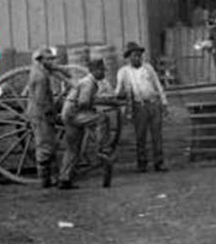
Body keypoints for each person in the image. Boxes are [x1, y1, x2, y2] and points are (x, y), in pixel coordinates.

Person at [58, 59, 115, 189]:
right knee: (102, 118)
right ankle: (102, 149)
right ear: (93, 71)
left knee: (73, 148)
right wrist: (102, 102)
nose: (103, 73)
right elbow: (83, 102)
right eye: (101, 70)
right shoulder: (88, 82)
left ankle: (64, 179)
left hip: (68, 115)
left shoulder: (88, 82)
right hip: (73, 114)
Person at [115, 41, 170, 172]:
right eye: (134, 55)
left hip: (153, 103)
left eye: (139, 55)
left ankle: (159, 162)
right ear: (129, 57)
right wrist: (117, 95)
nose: (137, 58)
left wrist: (164, 102)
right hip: (138, 106)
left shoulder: (148, 68)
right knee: (140, 136)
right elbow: (118, 90)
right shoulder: (124, 72)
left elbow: (157, 84)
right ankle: (142, 163)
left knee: (157, 135)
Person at [27, 46, 61, 188]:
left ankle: (50, 179)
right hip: (41, 114)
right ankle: (45, 180)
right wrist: (51, 113)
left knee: (47, 145)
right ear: (41, 60)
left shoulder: (38, 71)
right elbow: (41, 100)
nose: (50, 61)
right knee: (45, 146)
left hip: (38, 113)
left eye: (51, 59)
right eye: (48, 59)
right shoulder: (41, 76)